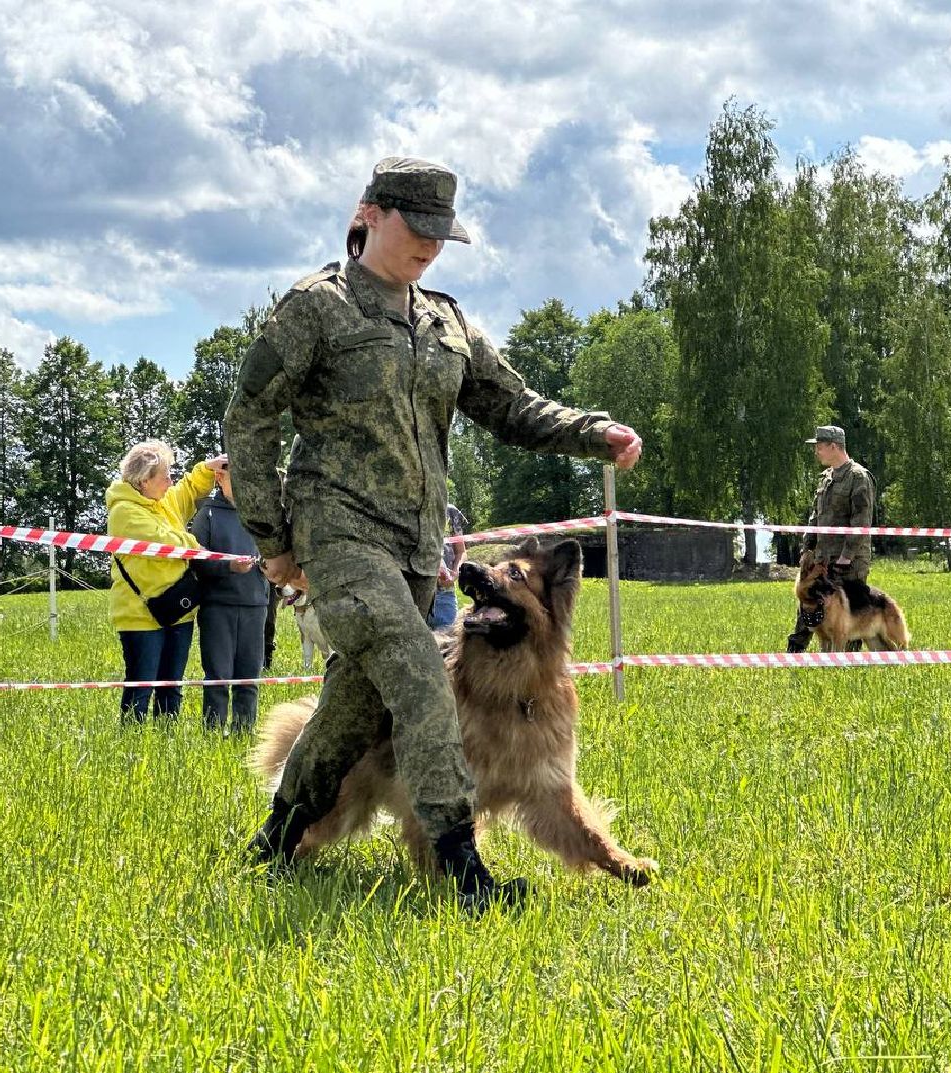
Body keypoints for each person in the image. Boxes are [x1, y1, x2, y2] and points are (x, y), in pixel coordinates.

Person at [225, 156, 643, 909]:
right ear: (369, 215)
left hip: (419, 551)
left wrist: (595, 432)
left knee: (353, 709)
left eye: (442, 235)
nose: (430, 247)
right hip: (339, 537)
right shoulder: (316, 308)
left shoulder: (445, 321)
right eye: (417, 229)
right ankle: (461, 868)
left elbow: (513, 405)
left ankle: (279, 836)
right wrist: (273, 536)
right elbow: (247, 416)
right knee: (423, 669)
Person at [106, 441, 225, 723]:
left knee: (172, 688)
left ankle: (165, 743)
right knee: (141, 689)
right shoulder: (123, 511)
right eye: (165, 476)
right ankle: (133, 746)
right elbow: (163, 542)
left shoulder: (164, 499)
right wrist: (198, 546)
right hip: (140, 616)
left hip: (178, 609)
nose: (170, 481)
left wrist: (207, 469)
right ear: (144, 481)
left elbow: (188, 490)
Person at [189, 462, 271, 732]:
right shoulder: (207, 513)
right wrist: (228, 567)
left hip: (256, 605)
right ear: (220, 477)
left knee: (249, 678)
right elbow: (195, 561)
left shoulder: (260, 513)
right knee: (218, 678)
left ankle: (243, 732)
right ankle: (212, 733)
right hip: (218, 607)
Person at [786, 424, 876, 653]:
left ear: (833, 446)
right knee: (808, 608)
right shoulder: (826, 478)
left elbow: (862, 522)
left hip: (850, 562)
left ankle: (848, 664)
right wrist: (807, 548)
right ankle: (793, 656)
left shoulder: (858, 477)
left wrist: (846, 556)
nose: (816, 451)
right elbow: (815, 516)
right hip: (823, 561)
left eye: (819, 446)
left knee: (850, 615)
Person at [427, 502, 469, 631]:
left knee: (448, 644)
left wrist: (455, 573)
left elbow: (461, 552)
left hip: (445, 595)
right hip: (414, 593)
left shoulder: (450, 511)